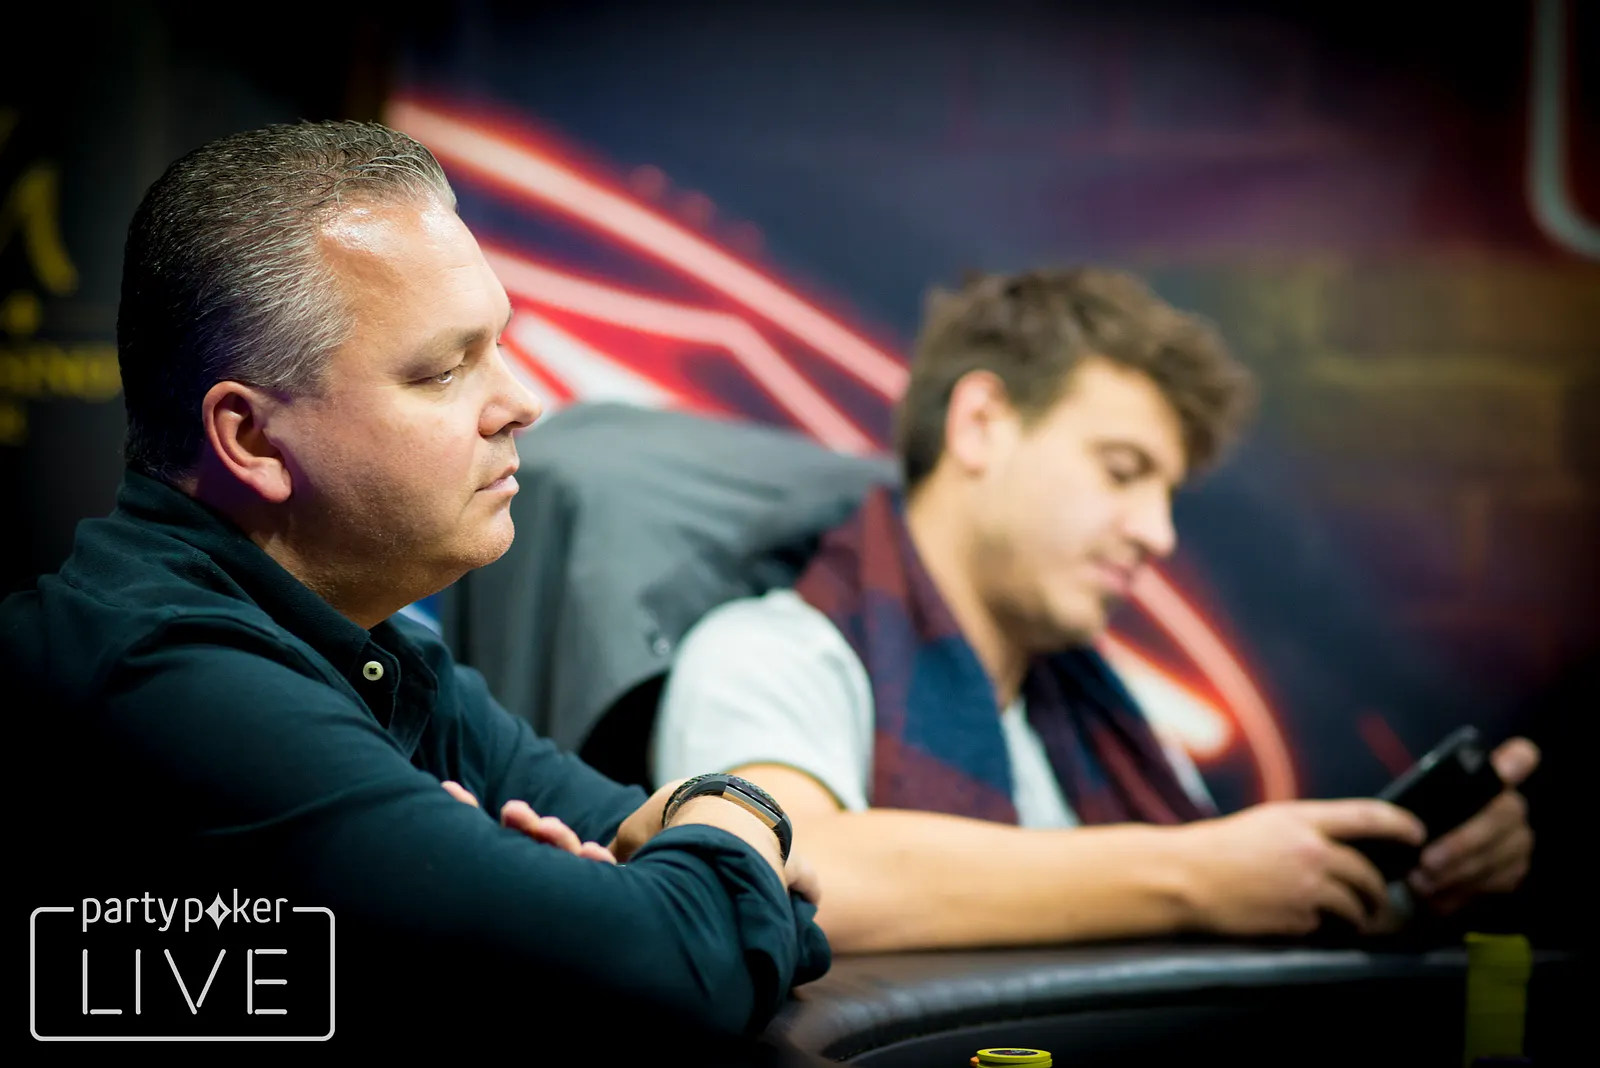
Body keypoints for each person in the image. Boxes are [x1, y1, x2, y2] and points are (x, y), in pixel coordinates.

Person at [3, 120, 827, 1045]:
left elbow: (777, 926)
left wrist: (681, 871)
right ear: (253, 439)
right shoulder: (169, 683)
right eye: (444, 371)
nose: (521, 403)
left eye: (499, 346)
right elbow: (685, 968)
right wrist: (724, 833)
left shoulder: (377, 649)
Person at [651, 267, 1539, 953]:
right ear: (981, 424)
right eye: (1122, 471)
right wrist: (1196, 876)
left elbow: (1232, 913)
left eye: (1168, 494)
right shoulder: (768, 656)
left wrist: (1414, 887)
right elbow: (773, 874)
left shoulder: (1115, 726)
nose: (1157, 532)